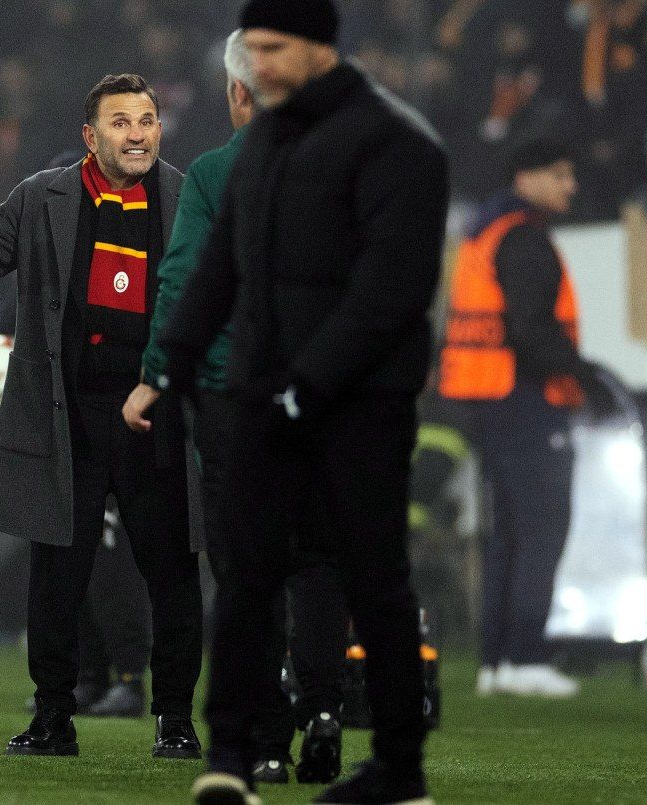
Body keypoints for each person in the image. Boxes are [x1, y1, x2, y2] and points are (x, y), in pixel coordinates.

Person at [156, 2, 449, 802]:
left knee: (374, 581)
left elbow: (390, 292)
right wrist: (174, 361)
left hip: (361, 403)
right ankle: (232, 758)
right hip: (264, 397)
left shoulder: (400, 144)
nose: (259, 67)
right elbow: (220, 266)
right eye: (251, 51)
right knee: (246, 578)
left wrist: (308, 383)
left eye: (273, 48)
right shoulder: (265, 146)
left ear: (321, 48)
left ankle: (399, 770)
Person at [0, 73, 203, 759]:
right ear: (90, 136)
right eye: (121, 122)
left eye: (147, 121)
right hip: (67, 413)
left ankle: (175, 719)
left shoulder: (188, 198)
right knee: (57, 575)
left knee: (173, 571)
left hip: (155, 412)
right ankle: (53, 718)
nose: (137, 134)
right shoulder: (41, 197)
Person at [123, 29, 347, 787]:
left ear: (237, 92)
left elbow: (185, 277)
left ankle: (270, 738)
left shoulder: (217, 174)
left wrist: (155, 372)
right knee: (318, 557)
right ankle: (325, 711)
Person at [438, 137, 618, 698]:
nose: (571, 185)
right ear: (526, 176)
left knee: (509, 531)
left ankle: (497, 662)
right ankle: (525, 656)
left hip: (488, 396)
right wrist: (589, 378)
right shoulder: (523, 237)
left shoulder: (487, 230)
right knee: (542, 525)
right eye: (560, 174)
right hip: (524, 397)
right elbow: (532, 330)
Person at [0, 295, 153, 719]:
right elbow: (26, 302)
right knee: (68, 557)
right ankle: (89, 676)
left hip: (110, 422)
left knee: (110, 558)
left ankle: (130, 678)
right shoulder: (45, 278)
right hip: (57, 433)